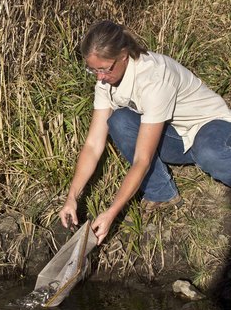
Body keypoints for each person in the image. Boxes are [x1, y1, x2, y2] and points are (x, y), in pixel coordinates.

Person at [59, 20, 231, 244]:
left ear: (123, 55)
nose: (99, 77)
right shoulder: (105, 83)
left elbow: (142, 159)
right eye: (93, 69)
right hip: (175, 136)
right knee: (119, 120)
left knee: (208, 153)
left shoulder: (154, 78)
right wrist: (72, 197)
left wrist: (111, 213)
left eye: (103, 69)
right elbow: (93, 145)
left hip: (209, 126)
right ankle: (161, 193)